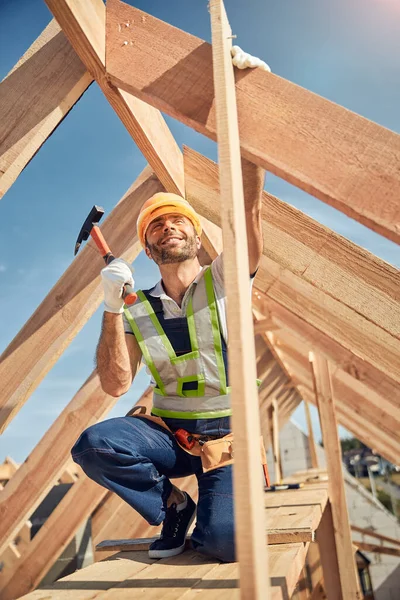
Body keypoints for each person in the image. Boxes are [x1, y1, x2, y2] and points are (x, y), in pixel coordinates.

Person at [71, 178, 264, 563]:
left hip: (228, 441)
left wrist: (250, 171)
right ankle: (174, 506)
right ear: (147, 248)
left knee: (225, 544)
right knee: (94, 445)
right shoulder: (136, 308)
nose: (169, 227)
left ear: (196, 234)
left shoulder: (224, 280)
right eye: (157, 225)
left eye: (179, 220)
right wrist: (111, 307)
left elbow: (248, 220)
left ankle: (214, 516)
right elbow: (115, 385)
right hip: (172, 438)